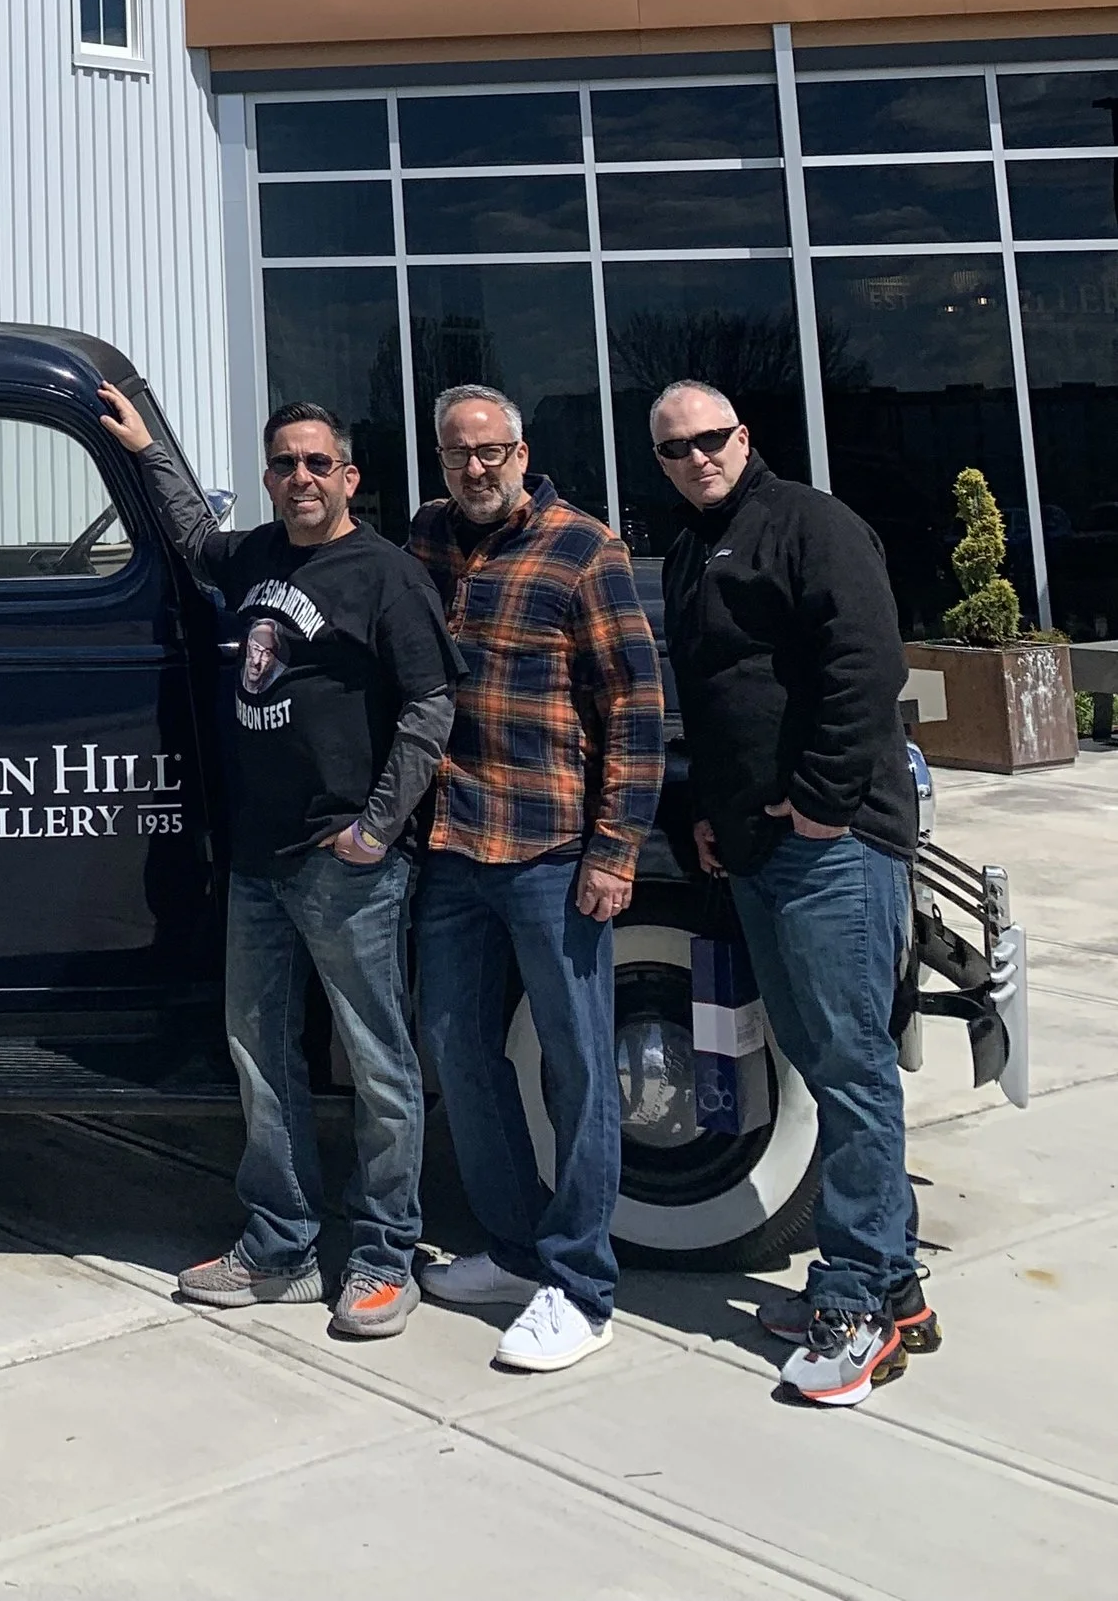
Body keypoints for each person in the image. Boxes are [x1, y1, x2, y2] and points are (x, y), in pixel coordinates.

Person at [103, 383, 461, 1341]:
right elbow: (191, 538)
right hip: (258, 860)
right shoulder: (258, 552)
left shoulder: (385, 574)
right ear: (266, 477)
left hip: (345, 859)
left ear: (348, 474)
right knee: (261, 1056)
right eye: (283, 463)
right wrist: (149, 449)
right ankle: (281, 1245)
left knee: (379, 1063)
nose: (299, 476)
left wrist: (378, 828)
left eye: (316, 462)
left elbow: (430, 707)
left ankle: (386, 1257)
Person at [651, 378, 933, 1409]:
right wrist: (714, 819)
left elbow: (865, 665)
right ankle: (894, 1284)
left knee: (852, 1067)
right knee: (821, 1056)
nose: (695, 459)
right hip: (761, 849)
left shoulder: (810, 523)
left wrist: (817, 805)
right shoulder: (692, 545)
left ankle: (854, 1304)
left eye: (709, 440)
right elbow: (721, 698)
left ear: (744, 436)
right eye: (675, 449)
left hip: (833, 846)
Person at [407, 383, 664, 1374]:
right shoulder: (429, 540)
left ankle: (580, 1286)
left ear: (522, 450)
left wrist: (614, 849)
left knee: (577, 1067)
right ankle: (513, 1251)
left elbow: (634, 708)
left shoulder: (583, 548)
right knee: (457, 1051)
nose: (474, 468)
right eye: (455, 454)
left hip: (552, 849)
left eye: (489, 451)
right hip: (451, 847)